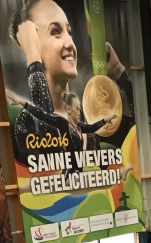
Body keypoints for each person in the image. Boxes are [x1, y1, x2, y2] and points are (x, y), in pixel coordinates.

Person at [10, 0, 134, 169]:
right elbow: (48, 135)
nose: (70, 43)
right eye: (55, 31)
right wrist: (33, 56)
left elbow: (137, 128)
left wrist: (118, 70)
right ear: (32, 44)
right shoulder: (27, 123)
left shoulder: (85, 114)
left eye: (69, 32)